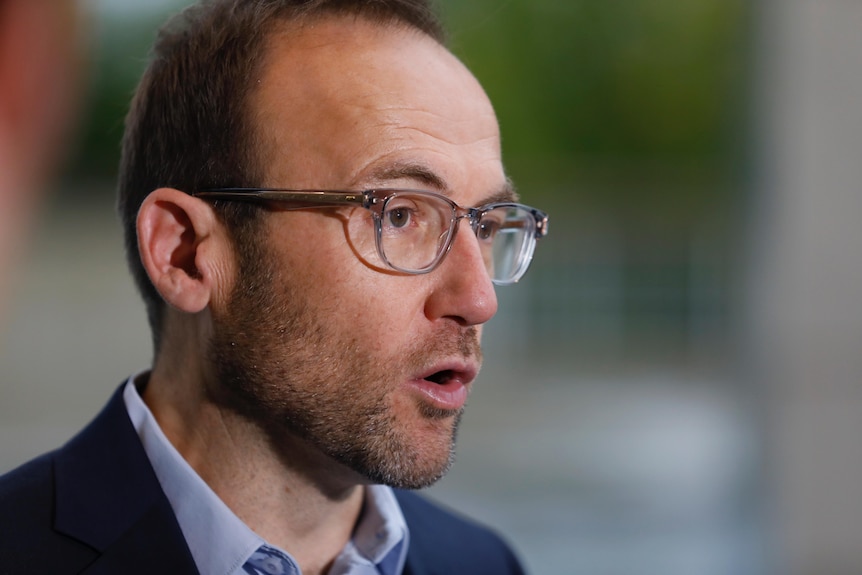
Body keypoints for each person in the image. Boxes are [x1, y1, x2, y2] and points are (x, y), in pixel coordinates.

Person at [0, 1, 548, 574]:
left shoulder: (483, 564)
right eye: (398, 215)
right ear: (184, 254)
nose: (479, 299)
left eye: (485, 225)